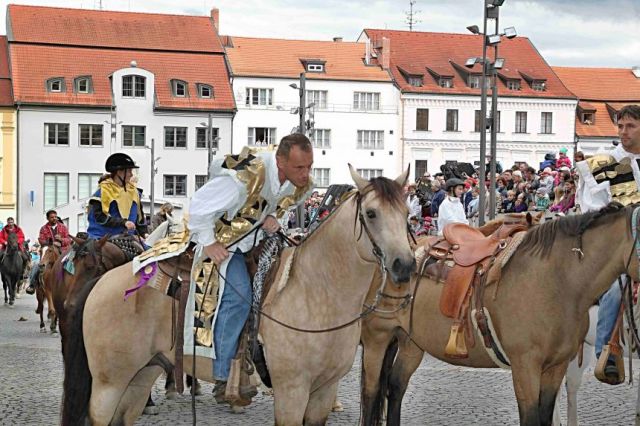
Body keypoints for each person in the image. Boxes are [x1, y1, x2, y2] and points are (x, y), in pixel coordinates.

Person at [188, 133, 314, 403]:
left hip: (256, 241)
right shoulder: (244, 176)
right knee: (240, 297)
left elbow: (283, 205)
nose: (306, 174)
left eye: (309, 166)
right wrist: (209, 243)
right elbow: (198, 207)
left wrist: (274, 217)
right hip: (225, 244)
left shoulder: (296, 183)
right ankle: (221, 370)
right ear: (280, 161)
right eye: (299, 168)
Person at [575, 105, 640, 383]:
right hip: (617, 246)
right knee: (614, 289)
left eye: (630, 126)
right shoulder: (606, 163)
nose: (624, 132)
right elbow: (590, 208)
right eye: (621, 126)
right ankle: (607, 351)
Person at [87, 153, 147, 239]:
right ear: (119, 172)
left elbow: (139, 218)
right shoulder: (102, 192)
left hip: (128, 238)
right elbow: (100, 217)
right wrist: (123, 223)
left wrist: (144, 233)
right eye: (129, 171)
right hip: (102, 238)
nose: (131, 175)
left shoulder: (134, 192)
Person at [25, 210, 72, 294]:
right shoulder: (43, 228)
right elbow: (41, 240)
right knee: (37, 265)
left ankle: (73, 285)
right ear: (47, 218)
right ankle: (32, 285)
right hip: (48, 250)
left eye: (55, 217)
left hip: (62, 250)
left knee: (71, 264)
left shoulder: (63, 227)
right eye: (52, 217)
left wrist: (61, 240)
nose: (54, 218)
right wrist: (51, 243)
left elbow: (68, 239)